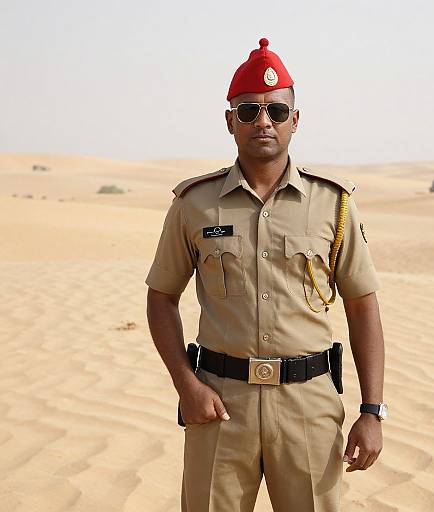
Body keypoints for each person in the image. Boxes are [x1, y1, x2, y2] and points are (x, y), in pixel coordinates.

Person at [145, 37, 387, 512]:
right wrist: (185, 385)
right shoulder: (195, 203)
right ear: (229, 120)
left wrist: (372, 411)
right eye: (249, 110)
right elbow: (160, 298)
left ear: (295, 121)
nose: (263, 122)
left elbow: (363, 306)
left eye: (276, 112)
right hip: (218, 406)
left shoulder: (333, 204)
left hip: (308, 407)